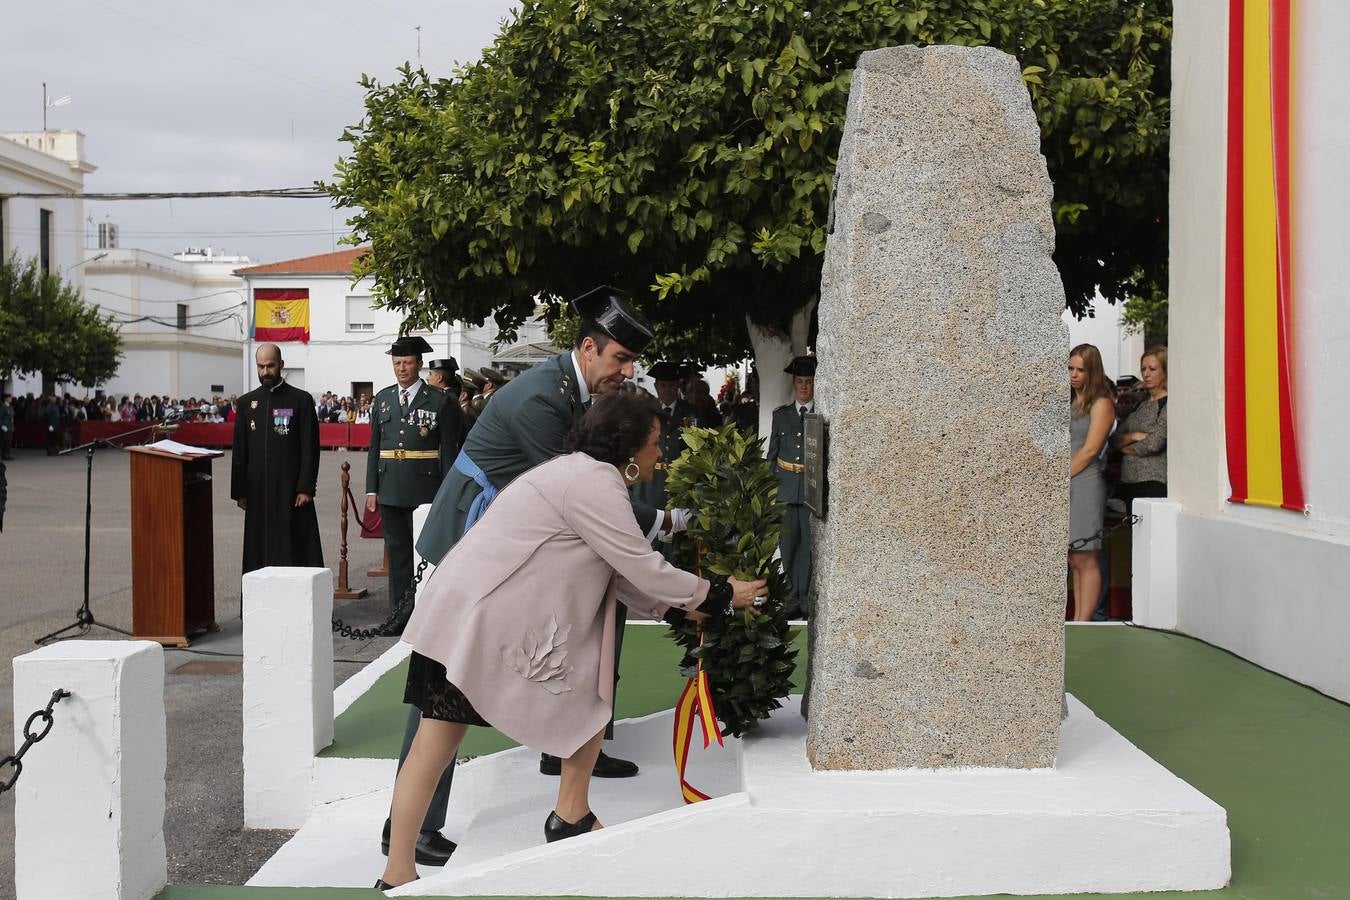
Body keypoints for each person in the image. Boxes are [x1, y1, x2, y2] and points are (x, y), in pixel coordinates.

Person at [377, 392, 767, 889]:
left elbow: (616, 571)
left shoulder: (584, 475)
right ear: (627, 450)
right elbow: (641, 565)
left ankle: (571, 814)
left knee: (585, 697)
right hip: (474, 625)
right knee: (435, 745)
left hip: (472, 616)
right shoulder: (593, 483)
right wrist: (717, 594)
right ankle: (397, 872)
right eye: (653, 444)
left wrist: (678, 606)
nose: (659, 455)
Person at [397, 286, 686, 864]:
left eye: (631, 362)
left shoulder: (575, 394)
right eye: (619, 360)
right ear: (587, 348)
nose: (626, 372)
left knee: (587, 632)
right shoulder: (542, 400)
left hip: (524, 544)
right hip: (476, 542)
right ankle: (409, 827)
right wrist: (665, 522)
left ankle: (575, 756)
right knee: (442, 690)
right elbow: (582, 493)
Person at [365, 335, 464, 620]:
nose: (401, 368)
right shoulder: (383, 399)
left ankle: (428, 614)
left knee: (427, 554)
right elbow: (375, 447)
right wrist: (371, 488)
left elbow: (448, 450)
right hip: (391, 487)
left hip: (426, 488)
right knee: (398, 555)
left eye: (407, 363)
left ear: (419, 364)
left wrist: (448, 490)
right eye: (397, 363)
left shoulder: (438, 400)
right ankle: (399, 614)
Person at [230, 344, 325, 574]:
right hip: (257, 493)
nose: (265, 371)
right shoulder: (246, 404)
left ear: (281, 365)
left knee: (294, 551)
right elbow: (240, 451)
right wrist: (239, 491)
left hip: (291, 492)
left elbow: (309, 448)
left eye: (270, 365)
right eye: (261, 366)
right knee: (258, 556)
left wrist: (306, 487)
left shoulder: (301, 401)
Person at [766, 356, 817, 619]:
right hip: (785, 489)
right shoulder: (782, 416)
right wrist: (768, 490)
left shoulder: (819, 416)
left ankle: (804, 598)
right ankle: (790, 598)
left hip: (810, 489)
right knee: (788, 546)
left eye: (809, 382)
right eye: (800, 382)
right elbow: (772, 455)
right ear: (794, 384)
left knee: (808, 547)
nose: (804, 387)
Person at [1068, 343, 1115, 622]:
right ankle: (1078, 620)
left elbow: (1090, 449)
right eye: (1070, 368)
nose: (1073, 375)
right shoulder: (1072, 402)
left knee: (1086, 557)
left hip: (1085, 482)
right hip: (1071, 481)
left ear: (1092, 371)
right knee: (1074, 558)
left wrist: (1060, 479)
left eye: (1080, 370)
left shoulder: (1102, 402)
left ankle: (1084, 622)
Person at [633, 362, 699, 556]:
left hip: (679, 483)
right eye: (663, 385)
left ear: (678, 386)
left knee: (676, 542)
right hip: (651, 482)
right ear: (656, 387)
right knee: (649, 535)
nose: (667, 389)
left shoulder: (690, 412)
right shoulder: (645, 411)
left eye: (672, 385)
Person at [1115, 346, 1168, 512]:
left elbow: (1153, 444)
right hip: (1129, 482)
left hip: (1152, 483)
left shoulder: (1168, 404)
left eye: (1152, 369)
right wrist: (1135, 435)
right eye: (1143, 369)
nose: (1146, 374)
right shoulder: (1140, 404)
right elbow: (1114, 439)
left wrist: (1123, 449)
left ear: (1165, 371)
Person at [0, 394, 14, 460]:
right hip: (5, 427)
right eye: (9, 398)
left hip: (10, 427)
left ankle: (8, 454)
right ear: (6, 399)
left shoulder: (10, 407)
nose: (10, 399)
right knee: (4, 442)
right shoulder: (3, 407)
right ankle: (4, 455)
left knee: (9, 442)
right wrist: (2, 425)